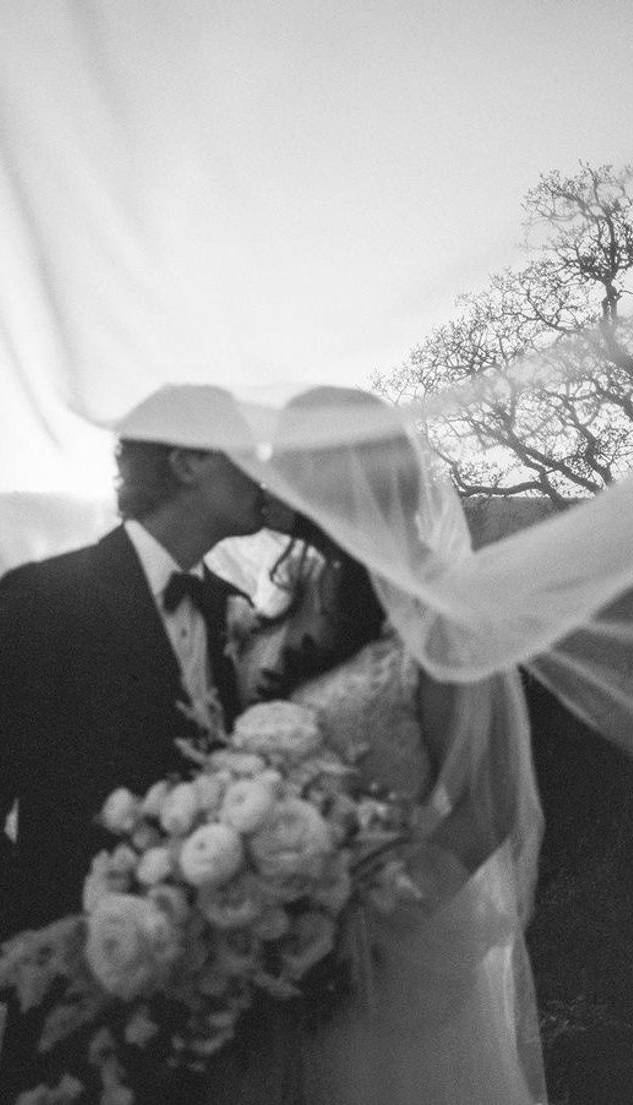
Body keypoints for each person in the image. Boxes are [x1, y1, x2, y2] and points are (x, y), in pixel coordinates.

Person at [0, 384, 266, 1105]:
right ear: (188, 461)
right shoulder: (46, 599)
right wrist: (47, 963)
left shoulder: (234, 614)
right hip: (76, 1032)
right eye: (246, 453)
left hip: (221, 1023)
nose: (262, 473)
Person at [208, 386, 547, 1105]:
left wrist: (362, 923)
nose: (273, 481)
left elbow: (491, 803)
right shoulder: (286, 602)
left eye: (290, 464)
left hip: (389, 964)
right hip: (266, 952)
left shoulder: (442, 612)